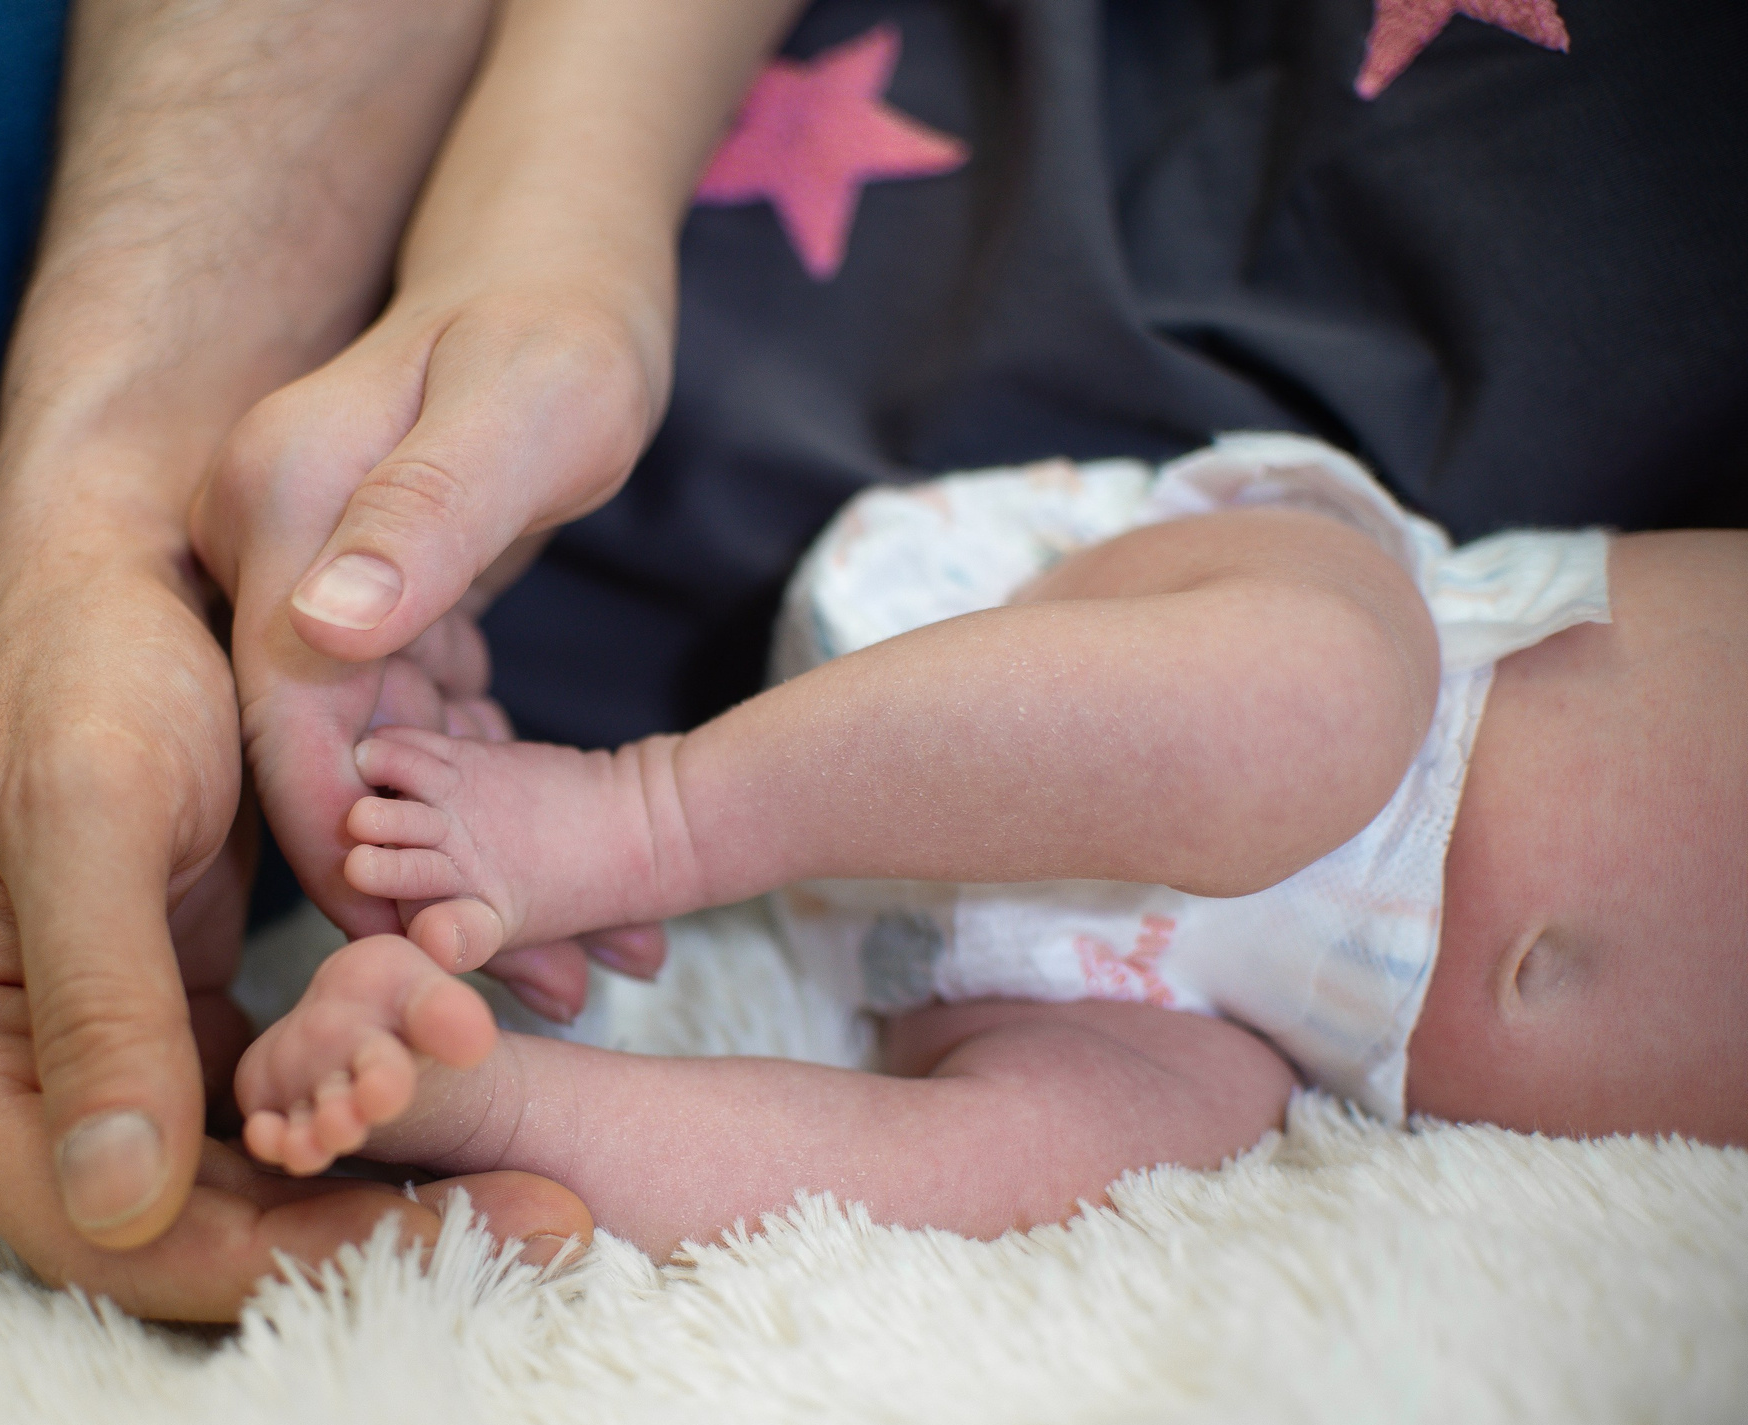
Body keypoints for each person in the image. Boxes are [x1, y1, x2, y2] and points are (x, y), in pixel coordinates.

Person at [0, 0, 1743, 1425]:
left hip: (896, 919)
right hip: (393, 155)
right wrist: (497, 264)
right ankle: (621, 820)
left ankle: (489, 1085)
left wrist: (468, 1084)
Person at [232, 439, 1747, 1255]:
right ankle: (641, 814)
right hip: (1305, 673)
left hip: (1228, 1018)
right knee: (1311, 707)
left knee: (1047, 1171)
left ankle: (480, 1095)